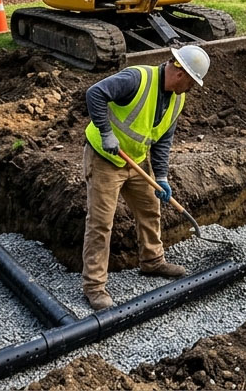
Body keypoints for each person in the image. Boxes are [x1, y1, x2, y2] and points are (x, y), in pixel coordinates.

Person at [81, 44, 211, 311]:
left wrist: (161, 176)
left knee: (150, 210)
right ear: (179, 71)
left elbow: (163, 139)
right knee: (101, 223)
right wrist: (106, 132)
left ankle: (152, 261)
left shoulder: (177, 98)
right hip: (105, 159)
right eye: (191, 82)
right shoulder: (137, 78)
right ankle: (94, 286)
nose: (191, 88)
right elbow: (95, 93)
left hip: (136, 160)